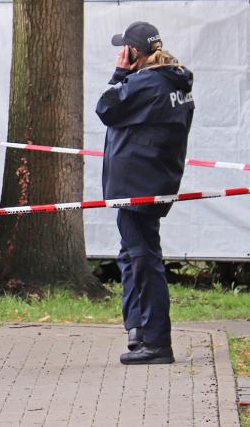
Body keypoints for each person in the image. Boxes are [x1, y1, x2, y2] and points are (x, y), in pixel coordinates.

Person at [96, 21, 194, 365]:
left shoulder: (144, 82)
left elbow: (106, 108)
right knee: (132, 256)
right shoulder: (174, 79)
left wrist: (119, 74)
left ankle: (155, 343)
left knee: (143, 260)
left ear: (133, 52)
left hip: (137, 184)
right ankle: (137, 330)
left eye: (123, 49)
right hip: (156, 179)